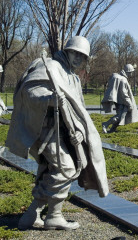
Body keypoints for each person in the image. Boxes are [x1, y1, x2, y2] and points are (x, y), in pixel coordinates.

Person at [6, 36, 109, 230]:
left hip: (64, 132)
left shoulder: (73, 77)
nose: (78, 59)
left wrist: (79, 131)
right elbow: (29, 93)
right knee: (66, 169)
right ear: (67, 51)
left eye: (82, 56)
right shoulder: (50, 67)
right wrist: (50, 99)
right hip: (46, 130)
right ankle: (54, 215)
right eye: (75, 53)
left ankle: (32, 213)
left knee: (53, 171)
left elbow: (77, 110)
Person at [101, 64, 138, 133]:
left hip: (121, 101)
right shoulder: (123, 80)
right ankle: (105, 124)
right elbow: (124, 94)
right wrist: (129, 103)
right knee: (119, 117)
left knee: (121, 117)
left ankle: (112, 129)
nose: (131, 74)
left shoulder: (122, 78)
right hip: (122, 102)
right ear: (128, 72)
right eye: (131, 72)